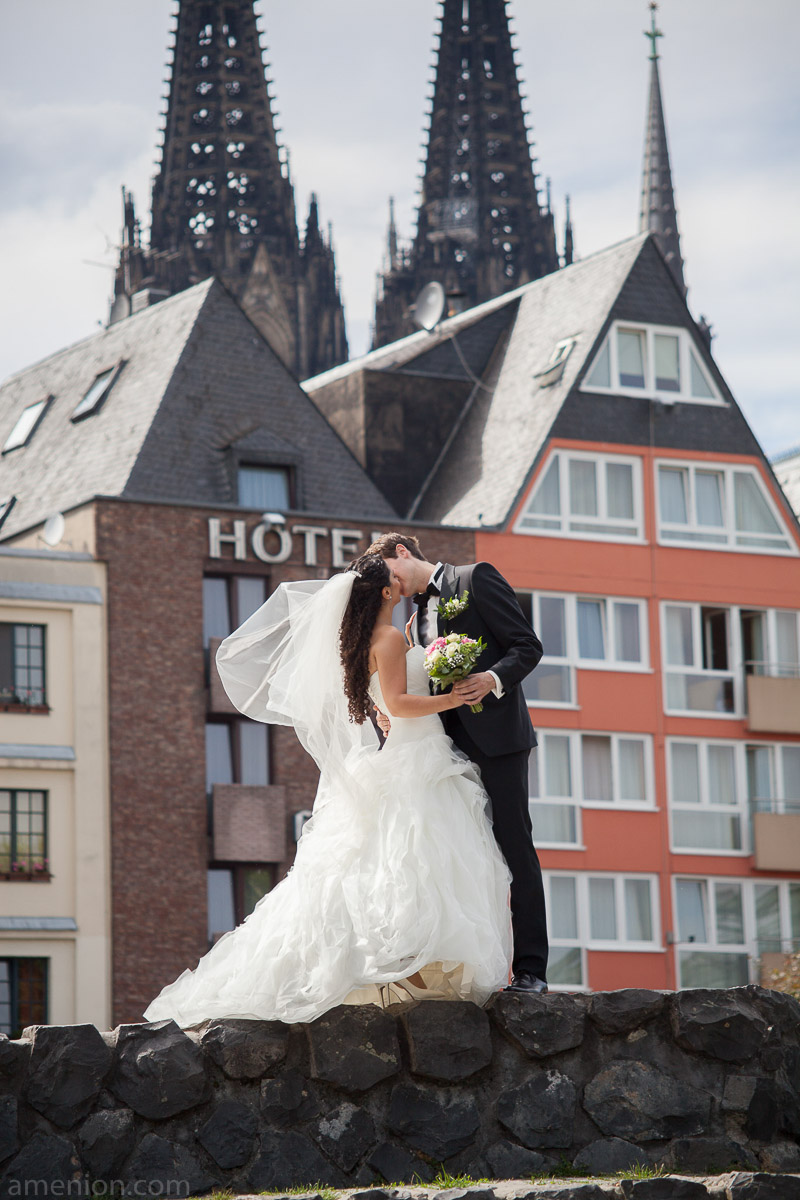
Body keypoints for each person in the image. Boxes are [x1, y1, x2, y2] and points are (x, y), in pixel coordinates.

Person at [141, 554, 513, 1028]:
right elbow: (397, 703)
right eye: (393, 581)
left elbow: (380, 703)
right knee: (419, 858)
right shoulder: (392, 637)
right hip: (417, 754)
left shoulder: (355, 644)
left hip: (397, 753)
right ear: (383, 593)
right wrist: (452, 698)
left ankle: (407, 968)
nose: (401, 584)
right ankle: (412, 964)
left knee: (394, 862)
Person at [365, 533, 548, 993]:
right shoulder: (409, 623)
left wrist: (491, 677)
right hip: (443, 750)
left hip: (499, 742)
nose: (394, 586)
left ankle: (530, 972)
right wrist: (386, 715)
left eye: (392, 574)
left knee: (514, 848)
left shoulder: (477, 578)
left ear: (402, 553)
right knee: (460, 858)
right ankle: (469, 970)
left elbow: (527, 646)